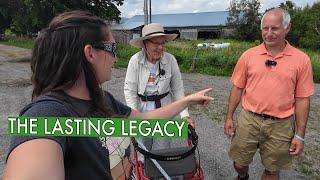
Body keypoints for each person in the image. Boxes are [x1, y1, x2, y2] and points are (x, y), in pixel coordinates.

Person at [3, 11, 213, 180]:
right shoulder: (45, 115)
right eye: (112, 48)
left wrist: (187, 102)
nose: (115, 57)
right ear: (90, 53)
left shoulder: (102, 100)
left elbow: (144, 121)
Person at [224, 8, 314, 180]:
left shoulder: (301, 60)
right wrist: (229, 117)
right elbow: (237, 88)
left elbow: (302, 99)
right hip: (249, 119)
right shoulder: (248, 55)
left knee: (272, 170)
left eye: (275, 28)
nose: (269, 33)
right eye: (265, 28)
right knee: (239, 163)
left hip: (281, 124)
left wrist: (300, 135)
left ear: (287, 28)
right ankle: (242, 176)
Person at [124, 23, 194, 153]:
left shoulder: (170, 60)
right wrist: (133, 117)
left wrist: (184, 115)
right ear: (145, 43)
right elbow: (130, 91)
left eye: (163, 43)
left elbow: (178, 90)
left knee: (162, 149)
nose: (160, 47)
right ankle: (142, 171)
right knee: (142, 148)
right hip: (142, 109)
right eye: (156, 43)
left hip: (165, 108)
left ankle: (158, 172)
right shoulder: (135, 60)